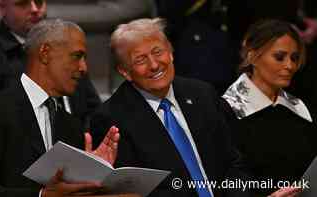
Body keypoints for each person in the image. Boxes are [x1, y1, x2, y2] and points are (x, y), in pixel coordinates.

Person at [88, 17, 251, 197]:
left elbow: (232, 163)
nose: (154, 65)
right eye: (141, 60)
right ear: (125, 71)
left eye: (158, 52)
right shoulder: (111, 119)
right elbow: (132, 191)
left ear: (171, 53)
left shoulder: (202, 94)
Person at [0, 19, 120, 197]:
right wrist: (41, 196)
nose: (83, 68)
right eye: (77, 56)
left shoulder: (71, 124)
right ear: (45, 53)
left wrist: (93, 173)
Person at [0, 0, 101, 130]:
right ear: (3, 9)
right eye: (23, 3)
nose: (34, 9)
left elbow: (93, 110)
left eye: (38, 2)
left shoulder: (66, 46)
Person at [221, 19, 317, 196]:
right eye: (279, 57)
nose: (289, 66)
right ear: (252, 56)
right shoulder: (224, 111)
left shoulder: (301, 110)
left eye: (294, 58)